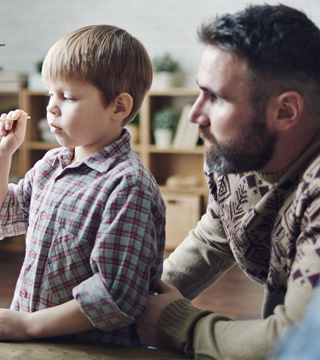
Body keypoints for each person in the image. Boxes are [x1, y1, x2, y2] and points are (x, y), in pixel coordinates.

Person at [135, 4, 320, 359]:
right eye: (199, 91)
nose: (194, 114)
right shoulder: (241, 152)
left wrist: (178, 324)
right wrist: (132, 299)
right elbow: (217, 234)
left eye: (216, 97)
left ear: (285, 111)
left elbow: (294, 340)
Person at [0, 25, 165, 346]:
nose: (51, 106)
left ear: (118, 107)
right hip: (35, 341)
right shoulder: (52, 165)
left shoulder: (127, 185)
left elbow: (116, 297)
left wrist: (28, 325)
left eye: (68, 96)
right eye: (51, 93)